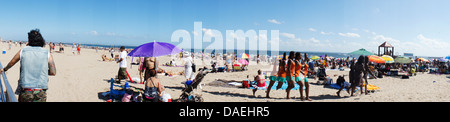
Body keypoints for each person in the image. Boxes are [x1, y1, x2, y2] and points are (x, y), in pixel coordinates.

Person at [0, 29, 56, 102]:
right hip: (41, 91)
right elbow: (53, 72)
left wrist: (4, 69)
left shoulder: (23, 51)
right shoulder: (47, 53)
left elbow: (11, 63)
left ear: (29, 40)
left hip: (26, 90)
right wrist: (41, 71)